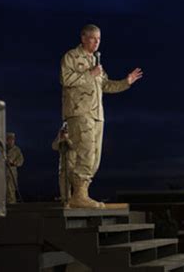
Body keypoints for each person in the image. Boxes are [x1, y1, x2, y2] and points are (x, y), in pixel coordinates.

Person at [60, 24, 143, 209]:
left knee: (95, 156)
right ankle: (78, 196)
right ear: (83, 38)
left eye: (99, 39)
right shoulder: (72, 57)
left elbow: (105, 85)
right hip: (79, 112)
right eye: (93, 38)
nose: (97, 42)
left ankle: (81, 194)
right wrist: (90, 74)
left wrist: (126, 82)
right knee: (86, 152)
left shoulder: (96, 62)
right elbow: (65, 79)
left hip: (97, 114)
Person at [51, 122, 75, 205]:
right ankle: (65, 200)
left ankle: (74, 201)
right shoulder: (60, 139)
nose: (65, 131)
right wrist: (59, 138)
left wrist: (68, 139)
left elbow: (74, 147)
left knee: (75, 184)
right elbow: (54, 146)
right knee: (63, 184)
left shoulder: (74, 137)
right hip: (63, 166)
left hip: (72, 165)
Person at [6, 132, 24, 204]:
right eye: (9, 139)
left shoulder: (17, 150)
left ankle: (12, 206)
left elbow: (21, 161)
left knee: (11, 190)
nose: (10, 141)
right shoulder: (3, 149)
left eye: (12, 139)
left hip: (12, 173)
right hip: (2, 173)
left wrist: (14, 163)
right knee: (3, 190)